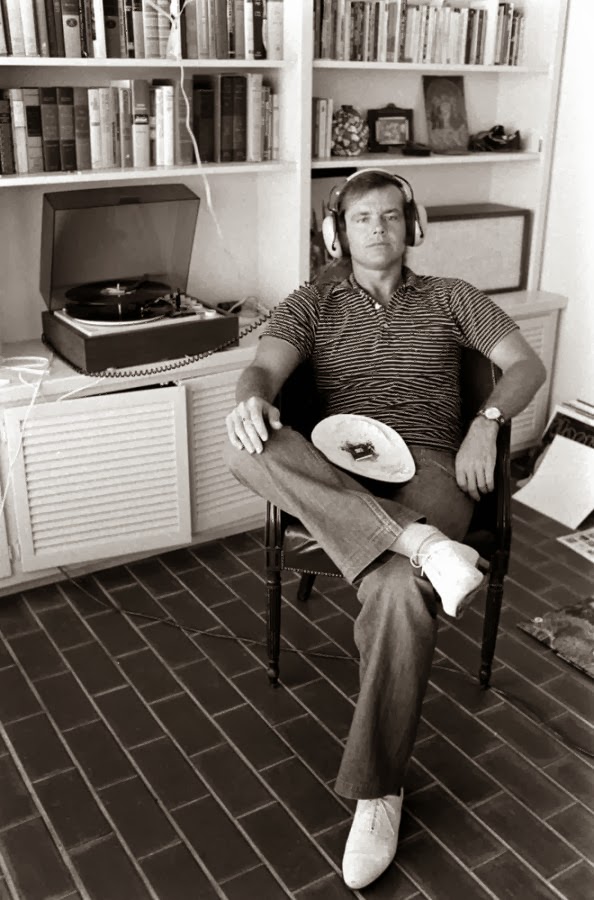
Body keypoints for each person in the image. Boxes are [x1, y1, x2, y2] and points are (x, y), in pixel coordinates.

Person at [223, 169, 546, 890]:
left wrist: (486, 424)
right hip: (337, 463)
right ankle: (425, 546)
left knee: (398, 592)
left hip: (430, 465)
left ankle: (378, 791)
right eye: (362, 218)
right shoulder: (313, 302)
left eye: (392, 215)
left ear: (413, 225)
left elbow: (525, 365)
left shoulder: (452, 296)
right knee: (243, 445)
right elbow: (262, 370)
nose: (378, 228)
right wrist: (250, 400)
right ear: (337, 233)